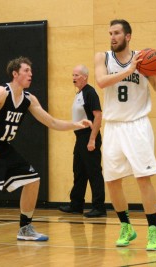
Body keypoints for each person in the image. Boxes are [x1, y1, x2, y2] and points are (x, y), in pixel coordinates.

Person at [0, 56, 92, 252]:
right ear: (15, 74)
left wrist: (76, 124)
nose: (30, 74)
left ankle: (25, 228)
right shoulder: (1, 92)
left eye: (31, 71)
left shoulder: (29, 99)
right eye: (26, 71)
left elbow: (51, 122)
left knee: (33, 180)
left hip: (3, 146)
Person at [94, 19, 156, 250]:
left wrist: (155, 72)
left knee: (143, 179)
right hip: (114, 126)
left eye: (116, 33)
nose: (112, 37)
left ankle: (153, 231)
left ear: (128, 36)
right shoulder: (102, 57)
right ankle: (126, 226)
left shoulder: (143, 59)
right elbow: (101, 82)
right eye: (110, 33)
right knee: (112, 181)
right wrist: (128, 71)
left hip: (137, 125)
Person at [59, 65, 106, 218]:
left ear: (85, 77)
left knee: (94, 173)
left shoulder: (90, 93)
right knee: (79, 172)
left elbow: (98, 117)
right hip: (79, 137)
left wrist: (92, 139)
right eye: (72, 74)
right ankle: (76, 205)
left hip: (88, 136)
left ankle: (99, 207)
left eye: (77, 75)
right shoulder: (79, 93)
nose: (73, 77)